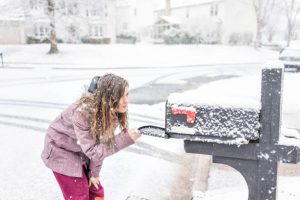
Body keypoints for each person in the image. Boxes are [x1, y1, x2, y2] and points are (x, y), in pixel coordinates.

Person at [41, 73, 141, 200]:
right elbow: (94, 151)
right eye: (121, 96)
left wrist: (94, 173)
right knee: (79, 194)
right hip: (60, 149)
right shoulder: (82, 113)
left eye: (127, 94)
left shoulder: (110, 113)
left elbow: (100, 146)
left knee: (96, 191)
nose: (126, 101)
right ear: (107, 98)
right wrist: (124, 139)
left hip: (81, 148)